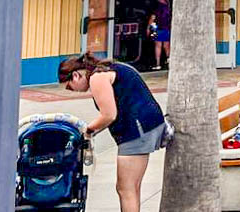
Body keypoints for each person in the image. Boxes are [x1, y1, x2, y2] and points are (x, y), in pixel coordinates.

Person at [58, 53, 171, 212]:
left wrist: (87, 131)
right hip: (148, 125)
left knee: (125, 188)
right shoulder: (109, 68)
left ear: (76, 75)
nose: (72, 91)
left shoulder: (97, 78)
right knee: (132, 187)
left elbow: (109, 115)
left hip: (136, 130)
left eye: (69, 86)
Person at [147, 0, 172, 71]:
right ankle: (169, 62)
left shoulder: (157, 7)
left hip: (157, 29)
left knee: (158, 46)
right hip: (167, 29)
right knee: (166, 46)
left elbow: (152, 18)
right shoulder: (169, 7)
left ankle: (158, 64)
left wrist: (148, 27)